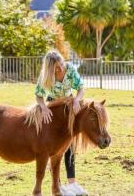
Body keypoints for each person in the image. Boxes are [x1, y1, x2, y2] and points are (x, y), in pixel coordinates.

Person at [35, 50, 87, 196]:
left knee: (69, 145)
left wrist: (77, 99)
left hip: (70, 107)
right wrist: (43, 107)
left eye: (61, 65)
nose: (60, 69)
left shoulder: (70, 69)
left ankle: (72, 183)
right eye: (56, 67)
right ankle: (57, 185)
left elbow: (81, 87)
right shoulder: (46, 75)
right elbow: (39, 95)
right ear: (50, 68)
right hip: (53, 109)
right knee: (54, 148)